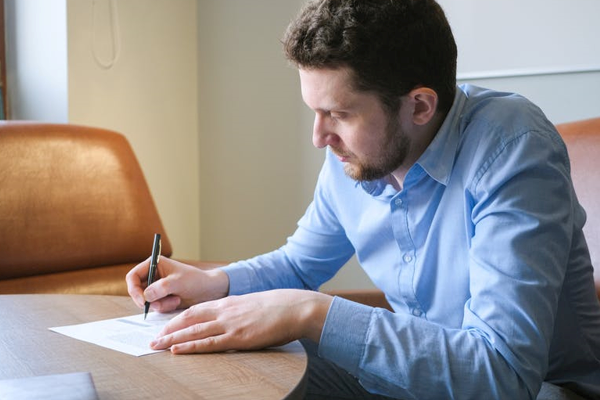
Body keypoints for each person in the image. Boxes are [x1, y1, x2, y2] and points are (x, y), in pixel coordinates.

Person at [126, 0, 600, 399]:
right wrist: (212, 284)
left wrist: (310, 312)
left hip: (545, 390)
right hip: (412, 383)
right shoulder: (355, 154)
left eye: (338, 113)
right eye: (314, 111)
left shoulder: (511, 146)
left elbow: (503, 372)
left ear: (419, 105)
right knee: (227, 365)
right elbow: (297, 267)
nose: (319, 137)